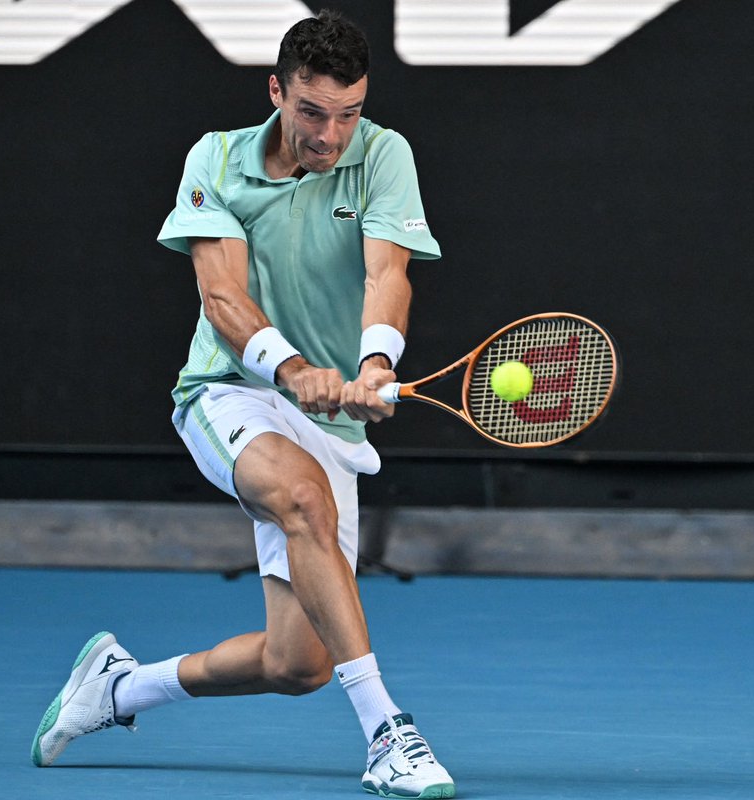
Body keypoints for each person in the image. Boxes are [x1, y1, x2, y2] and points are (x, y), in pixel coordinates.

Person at [31, 10, 455, 798]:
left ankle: (117, 689)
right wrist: (294, 369)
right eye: (312, 112)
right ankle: (388, 735)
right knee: (300, 495)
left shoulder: (384, 154)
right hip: (228, 394)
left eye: (349, 112)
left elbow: (386, 275)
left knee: (297, 664)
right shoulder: (216, 158)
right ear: (277, 92)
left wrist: (371, 364)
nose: (332, 134)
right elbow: (222, 297)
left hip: (326, 418)